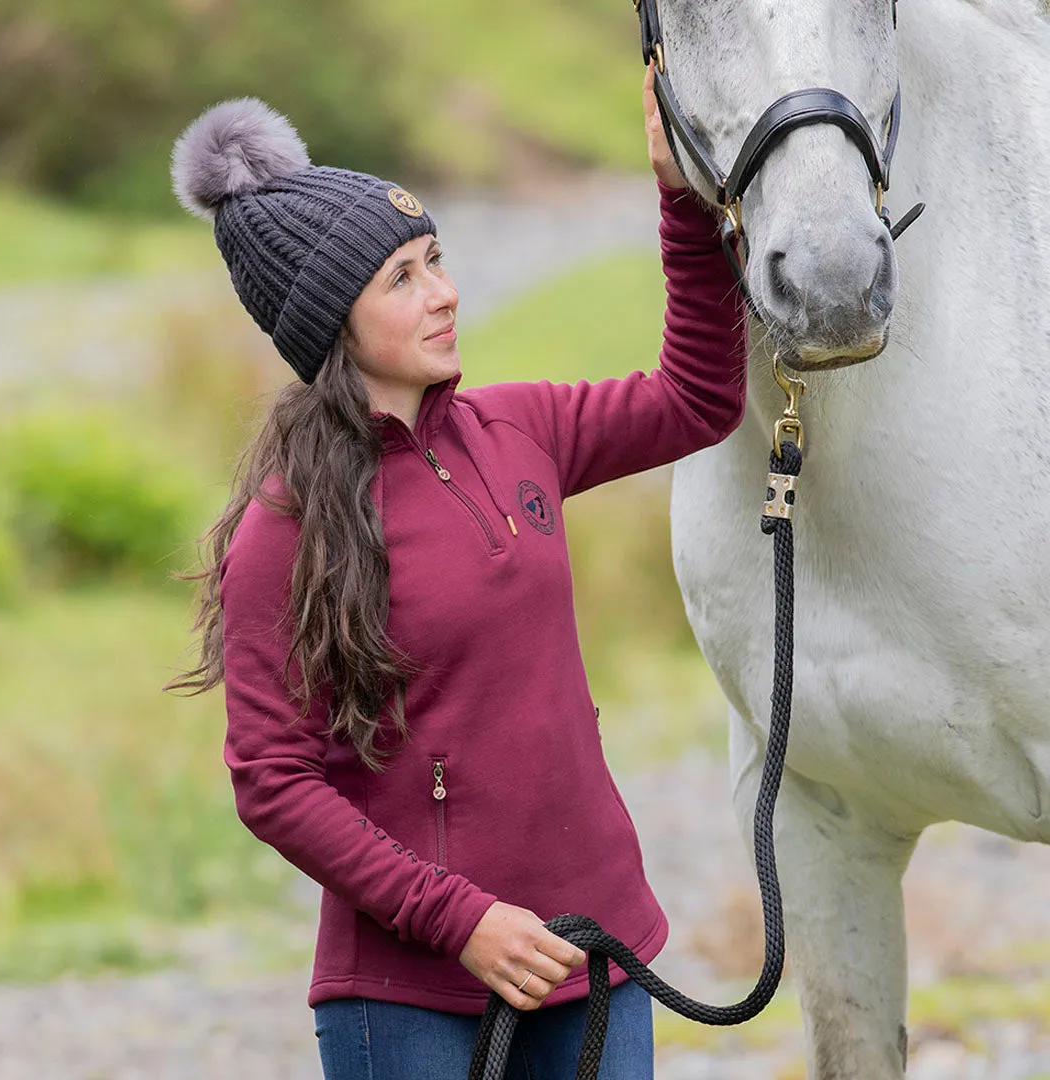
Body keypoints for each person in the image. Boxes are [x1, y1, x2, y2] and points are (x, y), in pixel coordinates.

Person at [166, 63, 746, 1080]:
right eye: (404, 278)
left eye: (436, 258)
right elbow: (273, 782)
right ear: (328, 323)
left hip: (589, 948)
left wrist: (683, 201)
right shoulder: (284, 532)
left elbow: (697, 399)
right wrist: (462, 921)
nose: (446, 293)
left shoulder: (520, 427)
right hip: (410, 998)